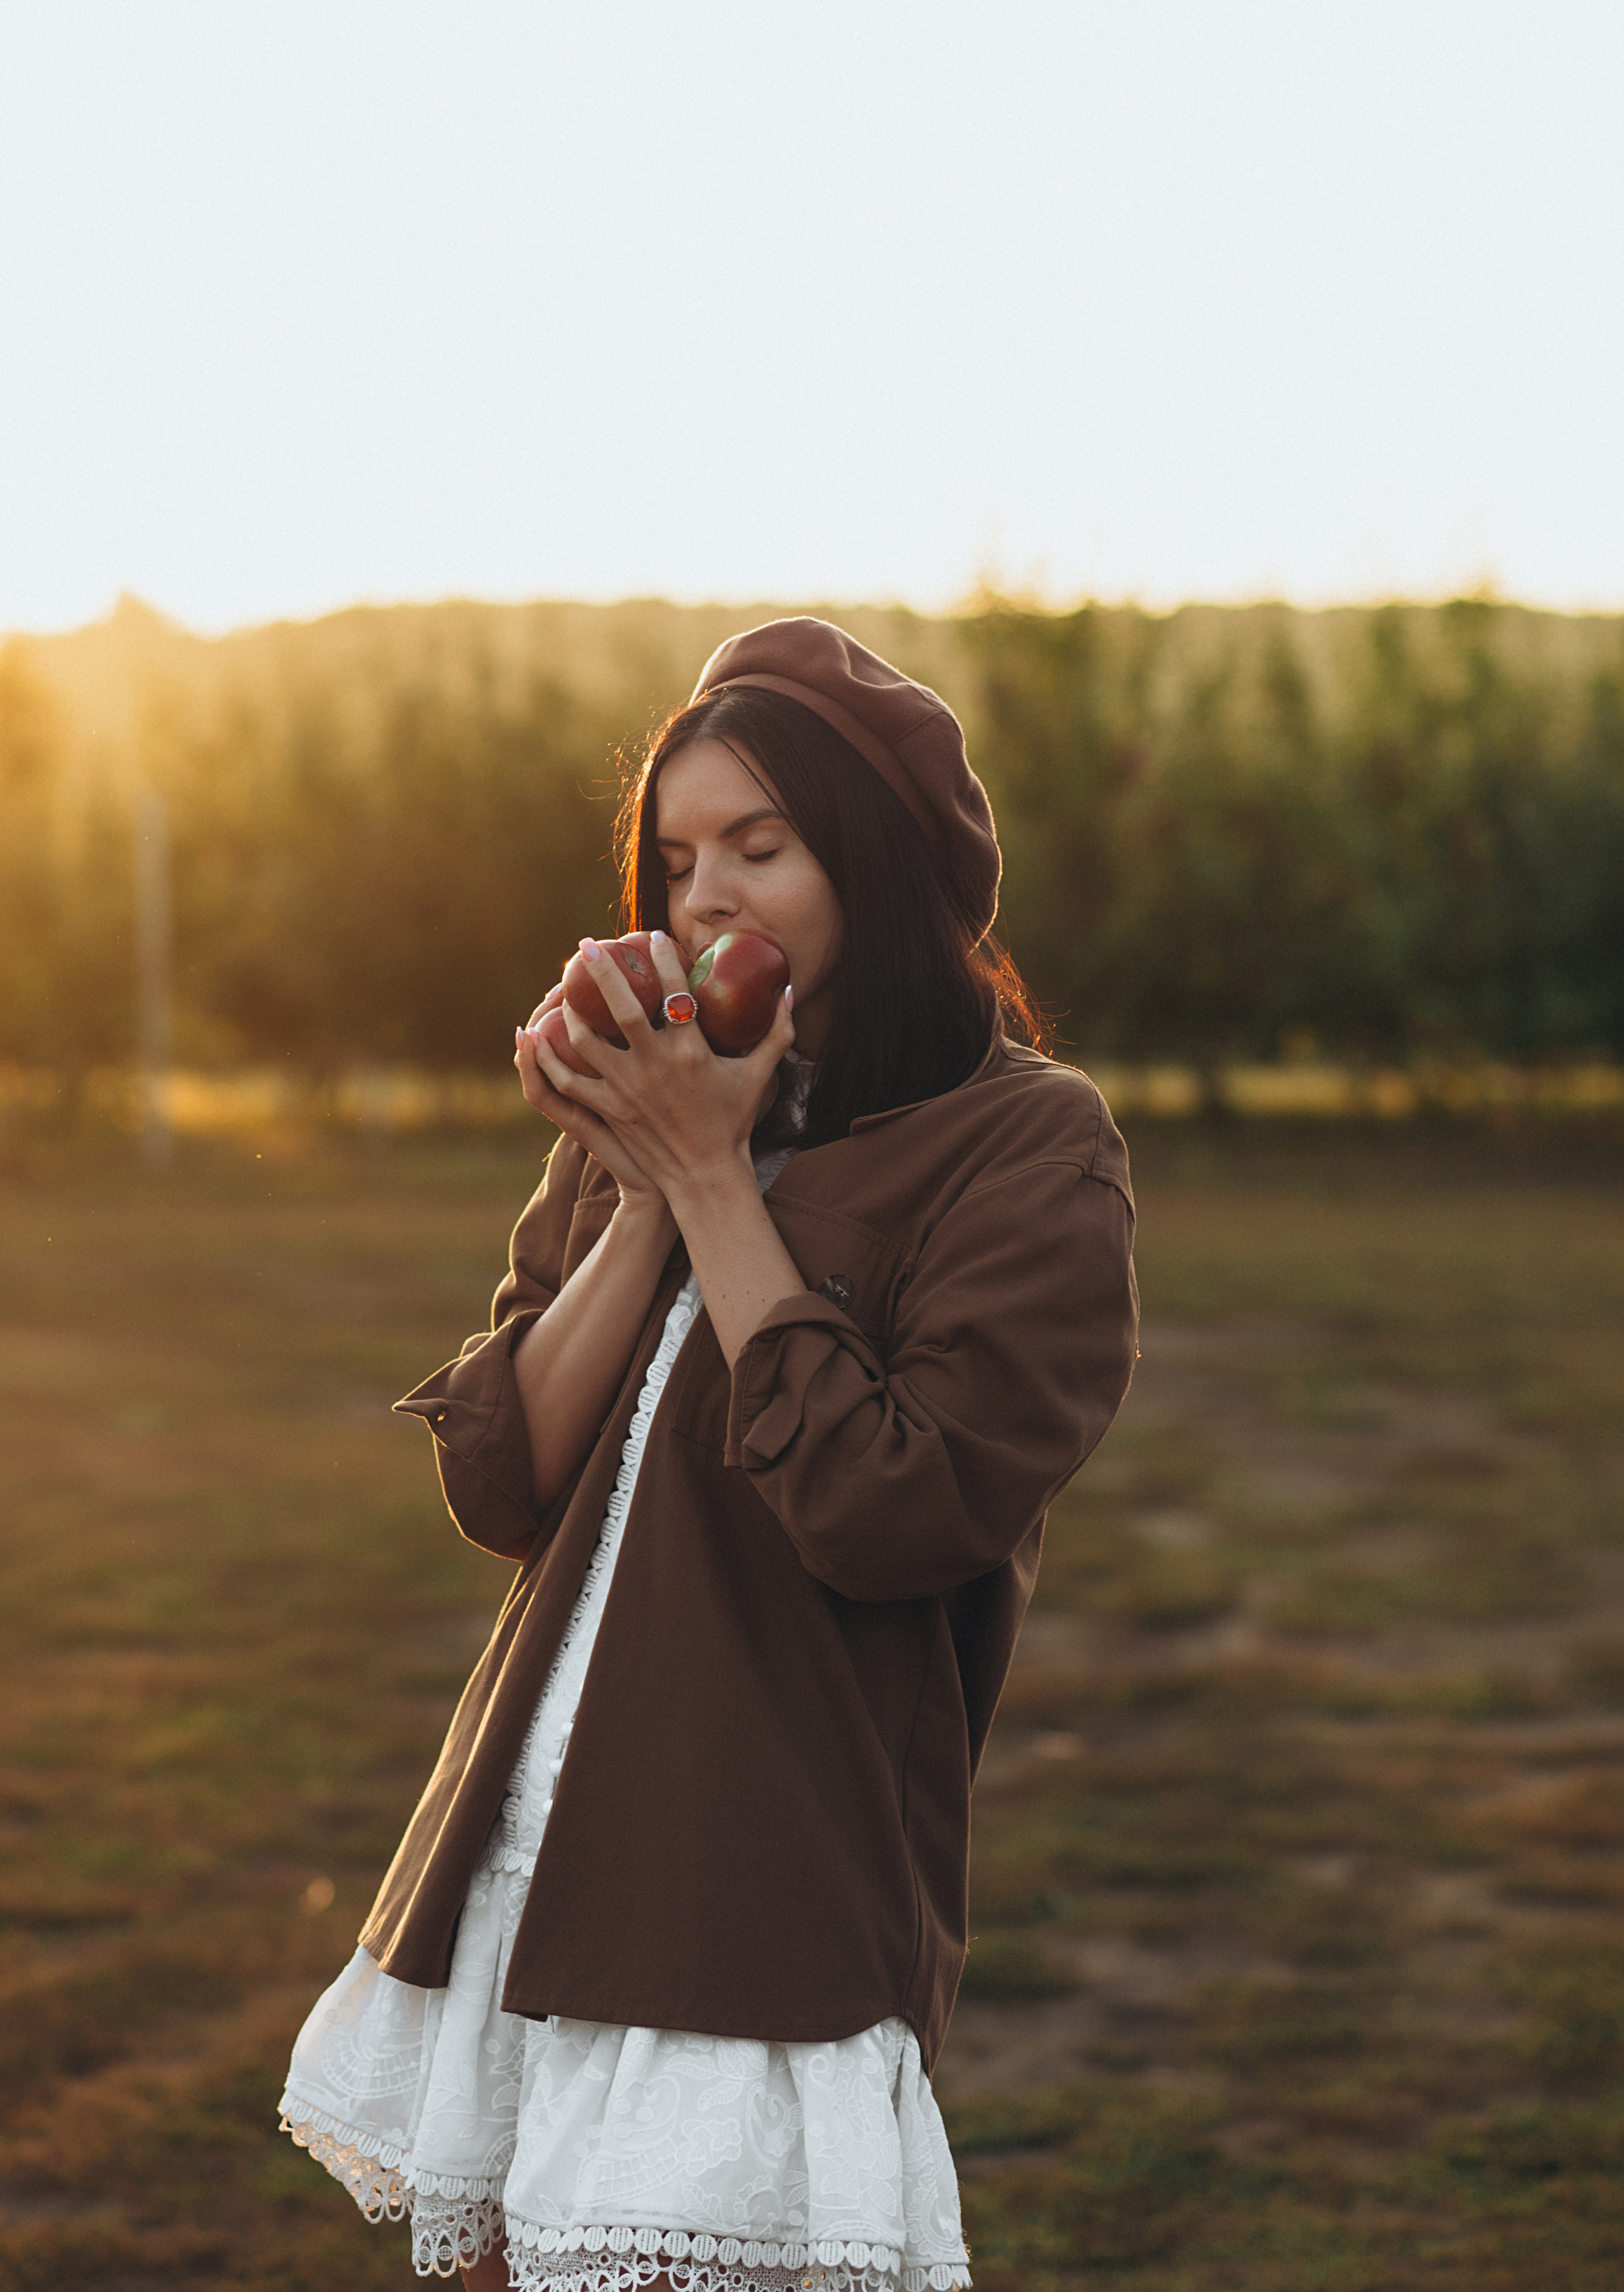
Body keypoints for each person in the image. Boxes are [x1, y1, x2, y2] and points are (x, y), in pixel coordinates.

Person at [278, 618, 1139, 2292]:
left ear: (880, 868)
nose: (708, 898)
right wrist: (662, 1176)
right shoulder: (672, 1091)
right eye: (678, 858)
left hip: (759, 1888)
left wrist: (719, 1183)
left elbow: (891, 1507)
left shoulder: (1030, 1147)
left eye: (762, 844)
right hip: (528, 1850)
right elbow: (505, 1479)